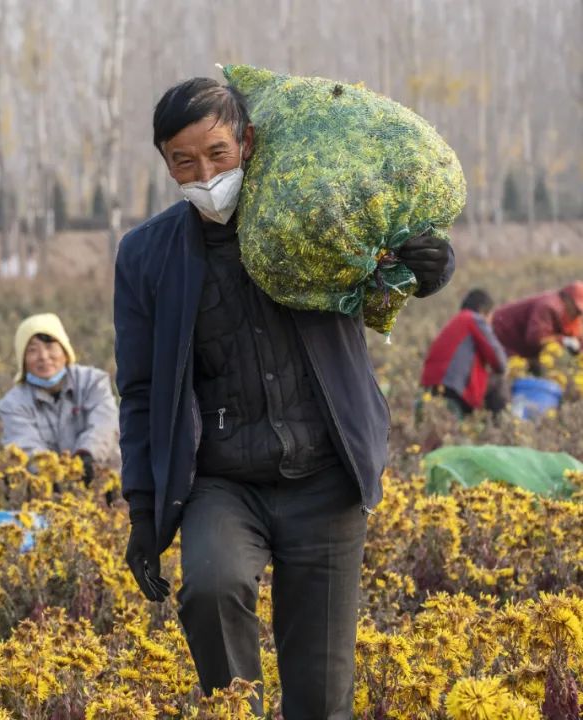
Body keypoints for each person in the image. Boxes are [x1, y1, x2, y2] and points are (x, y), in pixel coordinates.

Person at [114, 77, 455, 717]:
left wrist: (428, 266)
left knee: (321, 694)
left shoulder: (314, 219)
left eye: (217, 154)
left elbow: (384, 276)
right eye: (184, 162)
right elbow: (138, 390)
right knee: (210, 589)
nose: (205, 175)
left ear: (247, 142)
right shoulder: (146, 256)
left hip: (325, 475)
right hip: (222, 480)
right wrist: (142, 508)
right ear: (165, 163)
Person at [0, 313, 119, 480]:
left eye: (50, 346)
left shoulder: (93, 382)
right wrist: (55, 473)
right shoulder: (12, 404)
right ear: (23, 360)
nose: (43, 356)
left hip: (105, 478)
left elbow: (104, 425)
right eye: (32, 350)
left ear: (65, 351)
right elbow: (25, 445)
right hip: (49, 485)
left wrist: (86, 455)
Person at [421, 289, 508, 416]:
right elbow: (500, 362)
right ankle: (498, 424)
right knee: (498, 382)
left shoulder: (455, 322)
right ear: (483, 311)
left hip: (429, 388)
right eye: (491, 316)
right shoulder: (474, 319)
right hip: (454, 388)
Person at [492, 281, 583, 373]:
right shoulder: (548, 306)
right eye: (577, 309)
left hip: (524, 348)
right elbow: (536, 339)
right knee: (510, 372)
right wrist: (563, 340)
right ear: (567, 299)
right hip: (504, 336)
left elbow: (576, 337)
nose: (578, 314)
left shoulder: (570, 314)